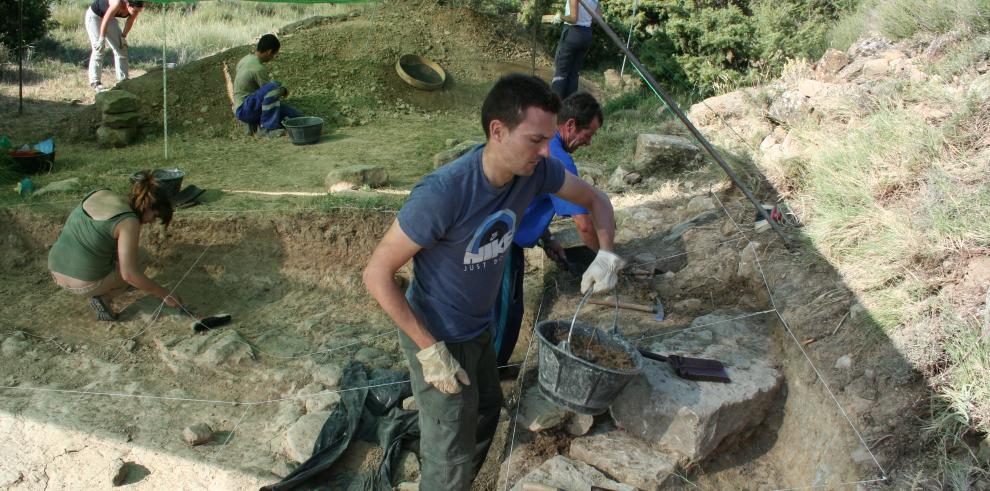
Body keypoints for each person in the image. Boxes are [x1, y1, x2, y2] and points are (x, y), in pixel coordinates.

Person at [363, 74, 623, 490]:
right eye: (535, 139)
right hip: (435, 334)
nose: (546, 150)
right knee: (448, 446)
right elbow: (376, 273)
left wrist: (606, 254)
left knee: (485, 409)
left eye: (548, 139)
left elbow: (596, 199)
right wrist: (429, 351)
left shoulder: (534, 173)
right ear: (497, 131)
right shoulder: (444, 193)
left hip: (477, 328)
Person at [493, 92, 604, 370]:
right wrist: (603, 259)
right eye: (588, 133)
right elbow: (584, 224)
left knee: (505, 309)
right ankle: (491, 373)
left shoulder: (546, 146)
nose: (590, 142)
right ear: (569, 125)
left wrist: (548, 238)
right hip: (501, 241)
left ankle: (492, 367)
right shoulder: (559, 159)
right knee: (505, 312)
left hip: (504, 233)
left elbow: (529, 200)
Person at [48, 170, 184, 321]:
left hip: (55, 269)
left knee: (125, 257)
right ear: (148, 207)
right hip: (82, 284)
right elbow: (129, 275)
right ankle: (104, 298)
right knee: (141, 258)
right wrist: (165, 294)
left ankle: (102, 285)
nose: (151, 221)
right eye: (154, 216)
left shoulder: (101, 193)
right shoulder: (128, 222)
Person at [232, 34, 302, 137]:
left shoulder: (245, 59)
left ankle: (254, 124)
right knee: (273, 87)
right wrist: (283, 90)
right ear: (269, 52)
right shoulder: (259, 68)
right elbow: (271, 94)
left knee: (297, 116)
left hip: (241, 106)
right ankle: (267, 129)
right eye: (274, 54)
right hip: (245, 109)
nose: (273, 58)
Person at [543, 0, 601, 99]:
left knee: (561, 72)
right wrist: (585, 18)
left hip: (572, 33)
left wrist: (560, 17)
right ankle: (569, 107)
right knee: (574, 74)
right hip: (586, 34)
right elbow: (597, 18)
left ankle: (555, 107)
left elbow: (573, 18)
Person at [85, 0, 144, 92]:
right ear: (128, 4)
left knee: (121, 47)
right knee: (98, 48)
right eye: (135, 11)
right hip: (95, 17)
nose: (136, 13)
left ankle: (123, 80)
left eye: (139, 11)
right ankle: (95, 82)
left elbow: (130, 20)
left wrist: (123, 37)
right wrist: (101, 38)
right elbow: (105, 20)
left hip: (109, 18)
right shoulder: (117, 3)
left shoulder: (135, 7)